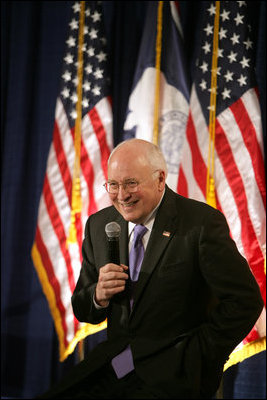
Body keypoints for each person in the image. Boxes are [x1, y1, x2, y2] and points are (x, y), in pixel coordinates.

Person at [39, 138, 263, 399]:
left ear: (160, 180)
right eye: (113, 184)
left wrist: (198, 354)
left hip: (176, 372)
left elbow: (245, 301)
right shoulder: (100, 225)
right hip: (115, 365)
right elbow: (83, 309)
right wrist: (98, 295)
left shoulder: (200, 224)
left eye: (131, 183)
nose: (122, 195)